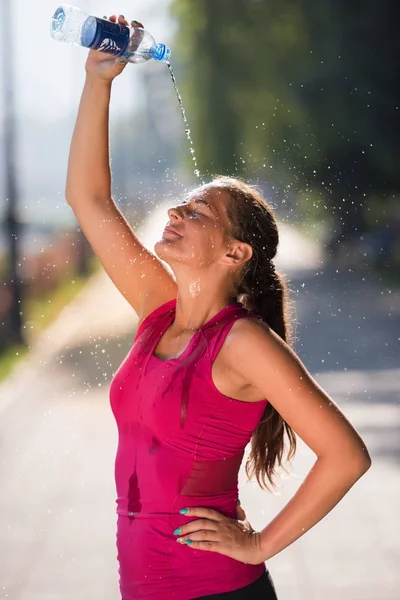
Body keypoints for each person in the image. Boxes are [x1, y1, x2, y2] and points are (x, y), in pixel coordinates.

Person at [65, 14, 372, 600]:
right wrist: (98, 81)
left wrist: (259, 544)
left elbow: (345, 455)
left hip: (213, 591)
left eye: (197, 213)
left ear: (235, 252)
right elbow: (89, 198)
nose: (176, 214)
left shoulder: (243, 343)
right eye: (179, 206)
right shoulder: (159, 311)